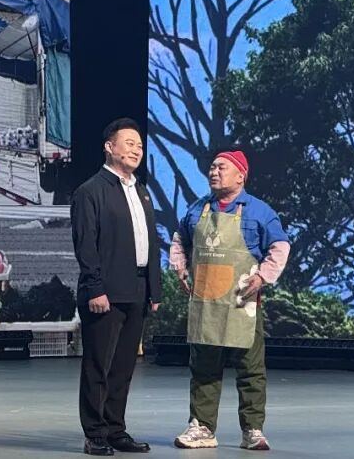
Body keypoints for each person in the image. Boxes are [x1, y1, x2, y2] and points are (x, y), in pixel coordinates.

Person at [169, 150, 290, 451]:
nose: (214, 172)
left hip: (242, 305)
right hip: (206, 304)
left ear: (240, 176)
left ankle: (253, 430)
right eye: (212, 167)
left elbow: (280, 246)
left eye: (221, 167)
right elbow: (179, 239)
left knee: (251, 370)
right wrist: (181, 268)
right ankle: (202, 427)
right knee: (204, 370)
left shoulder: (260, 211)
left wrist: (263, 277)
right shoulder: (197, 209)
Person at [72, 118, 162, 456]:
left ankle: (115, 429)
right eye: (129, 143)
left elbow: (150, 243)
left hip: (137, 289)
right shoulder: (90, 191)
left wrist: (154, 289)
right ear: (109, 147)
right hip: (105, 292)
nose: (136, 150)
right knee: (99, 365)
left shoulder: (142, 191)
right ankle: (94, 433)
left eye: (140, 145)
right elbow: (86, 245)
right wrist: (95, 288)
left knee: (124, 367)